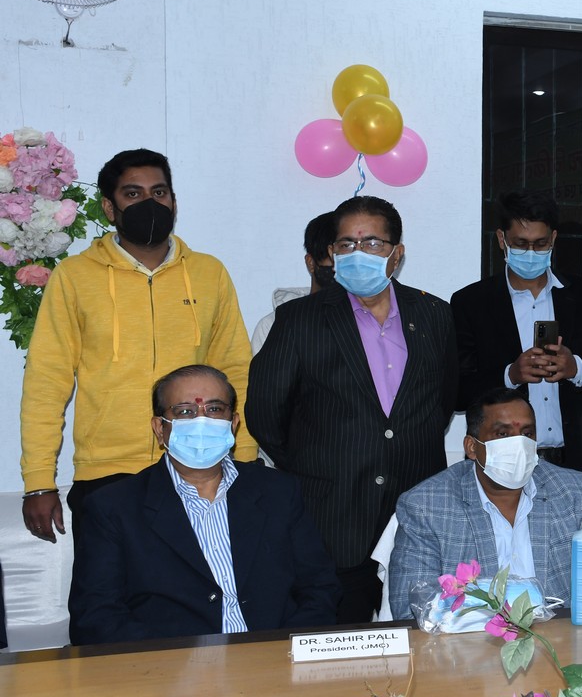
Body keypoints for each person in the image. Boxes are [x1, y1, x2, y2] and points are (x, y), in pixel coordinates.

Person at [20, 148, 255, 545]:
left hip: (199, 467)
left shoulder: (209, 273)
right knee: (107, 585)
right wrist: (38, 481)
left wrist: (244, 457)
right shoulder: (74, 277)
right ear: (109, 208)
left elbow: (237, 372)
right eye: (133, 194)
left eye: (159, 192)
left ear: (174, 201)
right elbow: (46, 382)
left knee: (201, 582)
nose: (150, 203)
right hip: (105, 474)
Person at [246, 194, 457, 624]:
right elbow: (265, 415)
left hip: (416, 513)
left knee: (423, 639)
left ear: (397, 254)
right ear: (332, 252)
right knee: (338, 646)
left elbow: (444, 400)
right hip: (333, 516)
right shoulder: (298, 320)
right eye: (346, 244)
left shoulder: (435, 314)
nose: (358, 253)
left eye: (373, 243)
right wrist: (319, 465)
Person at [68, 365, 339, 645]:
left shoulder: (278, 491)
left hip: (275, 656)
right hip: (169, 664)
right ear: (160, 428)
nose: (201, 421)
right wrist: (182, 662)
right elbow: (96, 616)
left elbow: (319, 588)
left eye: (214, 409)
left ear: (233, 423)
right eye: (185, 411)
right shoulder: (113, 507)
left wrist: (283, 651)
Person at [387, 388, 582, 619]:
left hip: (562, 637)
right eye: (503, 434)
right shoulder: (427, 505)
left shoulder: (571, 491)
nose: (518, 445)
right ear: (472, 447)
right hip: (470, 641)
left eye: (527, 434)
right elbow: (413, 609)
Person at [451, 191, 582, 495]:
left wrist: (576, 368)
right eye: (521, 243)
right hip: (500, 467)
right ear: (501, 239)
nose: (531, 252)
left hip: (573, 464)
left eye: (540, 243)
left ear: (553, 239)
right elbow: (456, 391)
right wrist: (510, 375)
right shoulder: (471, 302)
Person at [250, 211, 338, 354]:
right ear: (311, 263)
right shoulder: (271, 326)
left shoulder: (370, 319)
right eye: (334, 257)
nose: (343, 267)